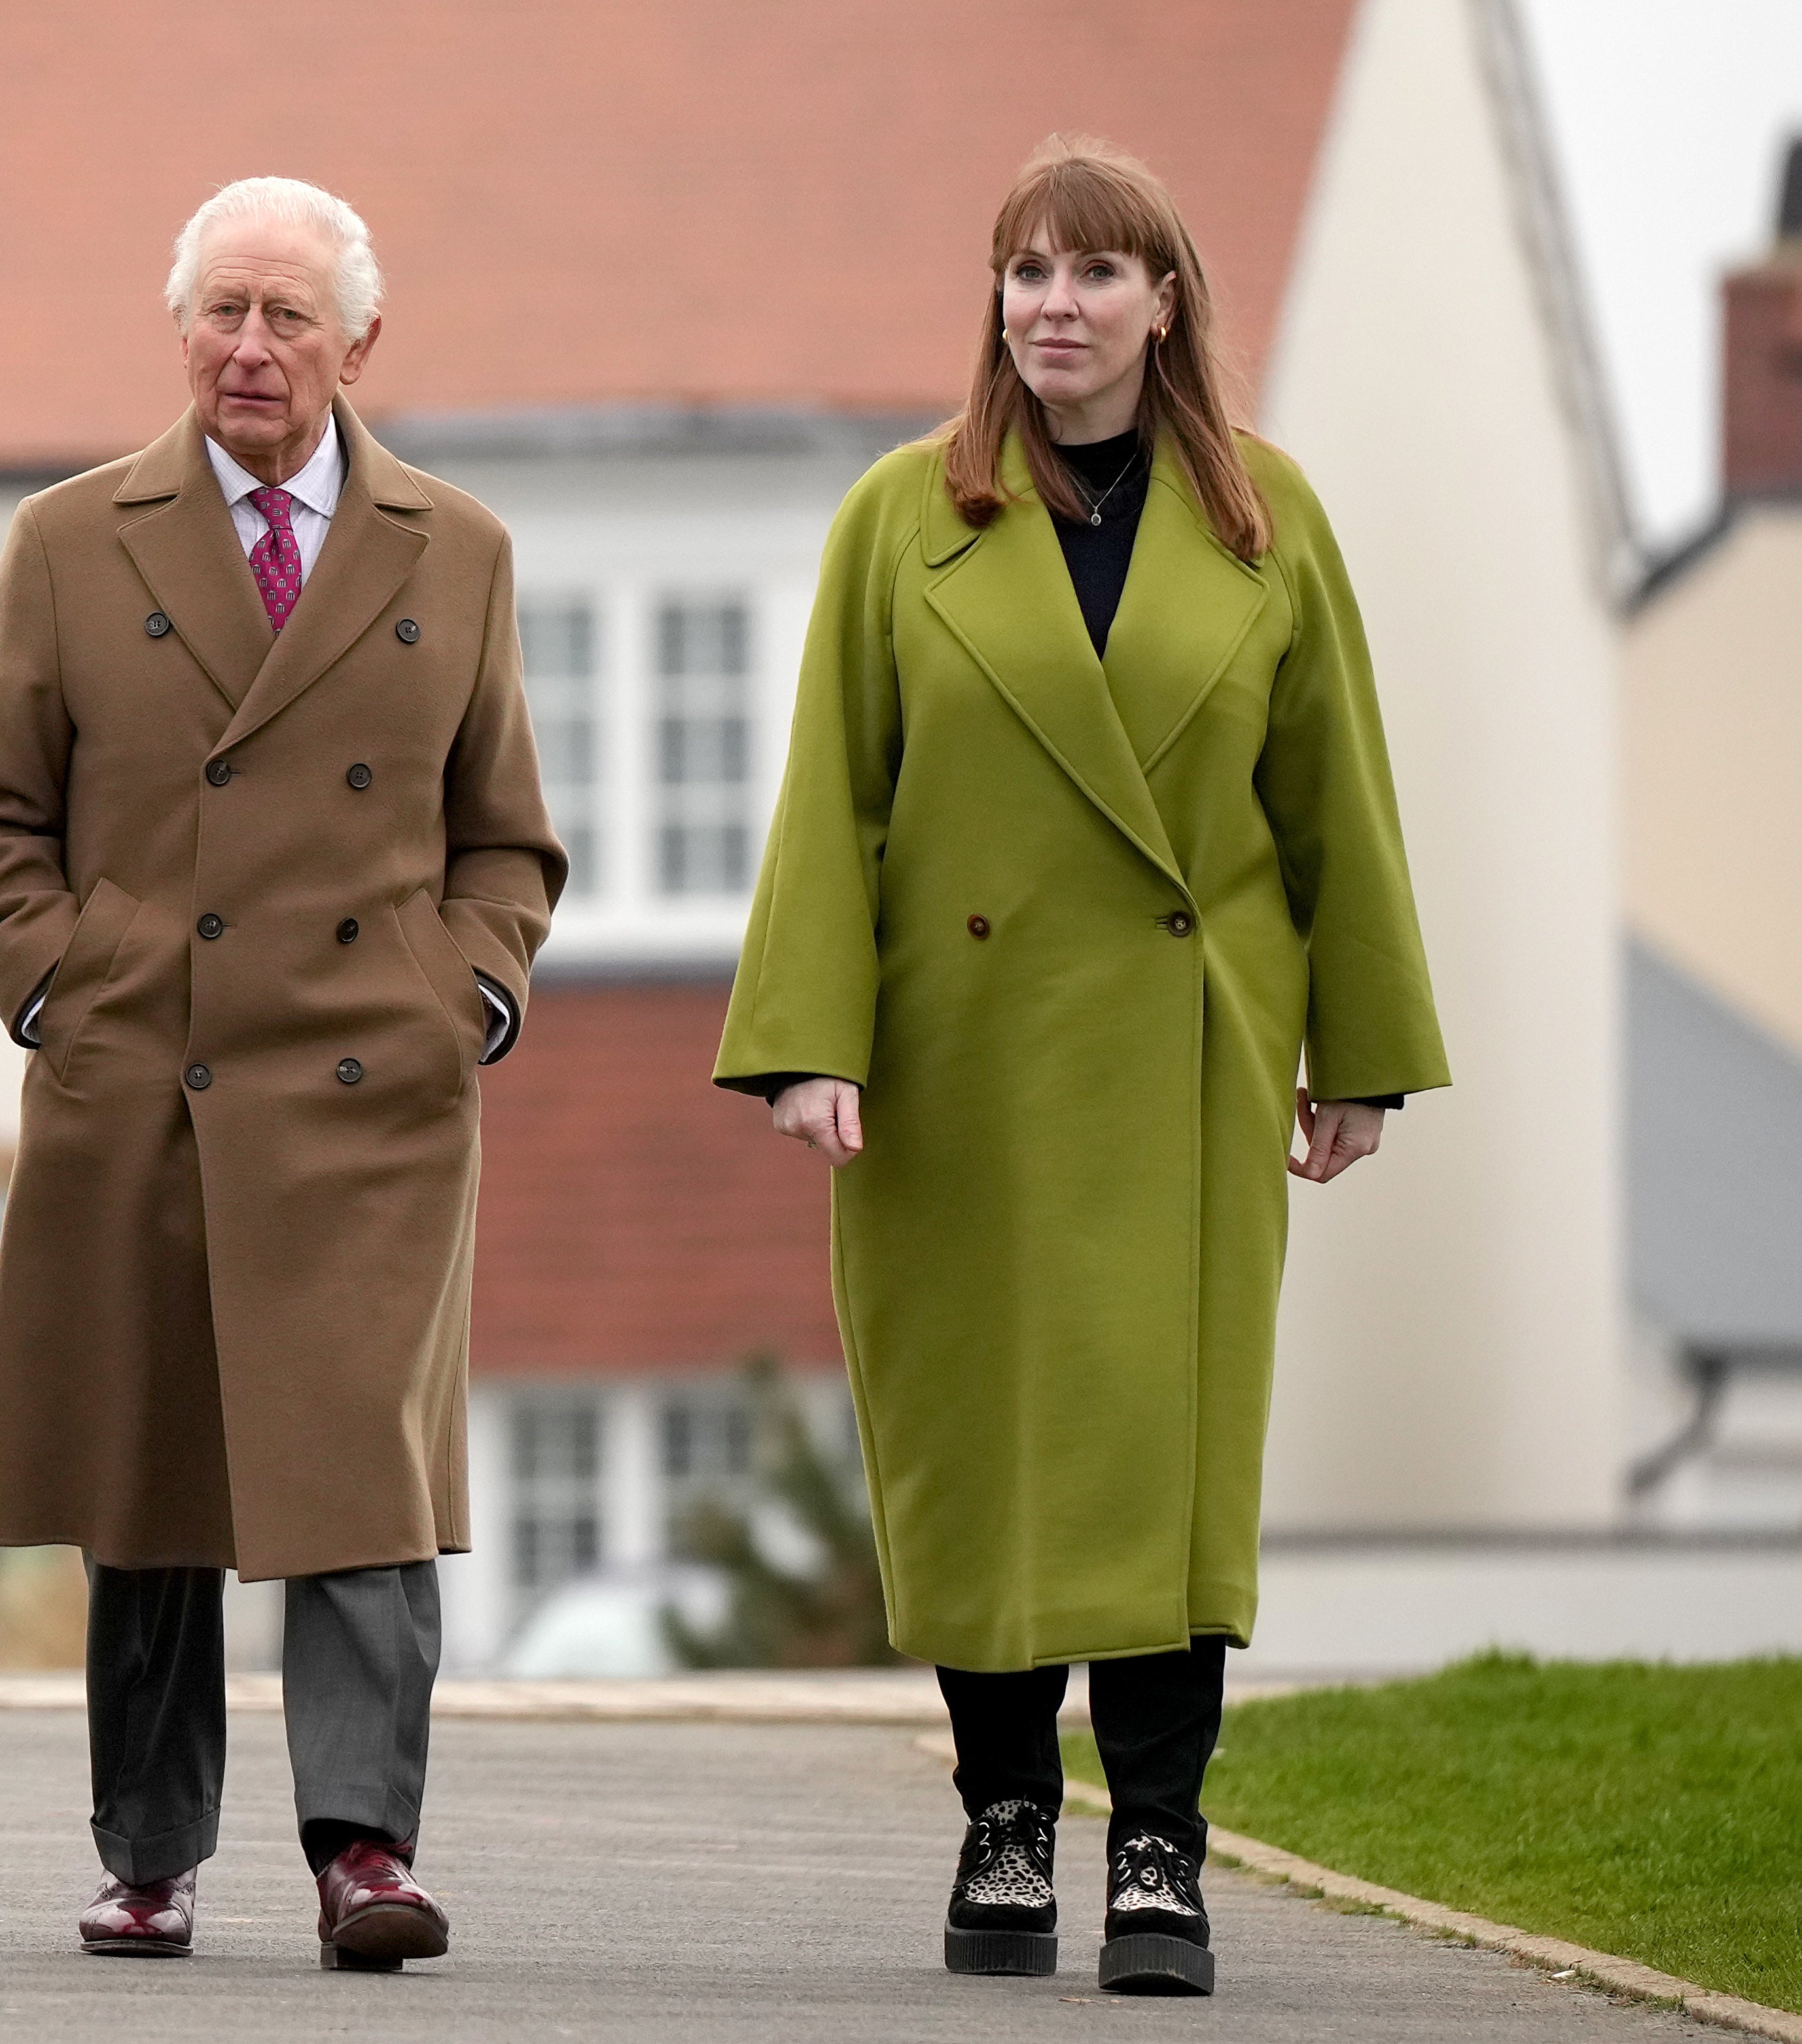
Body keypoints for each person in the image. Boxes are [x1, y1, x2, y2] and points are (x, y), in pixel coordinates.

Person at [714, 134, 1448, 1998]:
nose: (1055, 304)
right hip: (955, 1058)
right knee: (982, 1443)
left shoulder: (1267, 518)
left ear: (1165, 299)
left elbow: (1334, 804)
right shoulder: (903, 516)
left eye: (1096, 273)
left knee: (1166, 1453)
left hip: (1187, 1056)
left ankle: (1165, 1854)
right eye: (1027, 272)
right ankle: (1003, 1816)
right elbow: (833, 801)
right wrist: (805, 1041)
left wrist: (1359, 1052)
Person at [0, 176, 563, 1971]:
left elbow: (508, 841)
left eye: (289, 316)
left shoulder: (461, 548)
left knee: (362, 1472)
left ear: (361, 344)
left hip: (376, 1092)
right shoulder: (72, 538)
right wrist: (71, 981)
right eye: (222, 310)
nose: (251, 347)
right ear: (179, 330)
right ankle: (150, 1854)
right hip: (149, 1077)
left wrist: (471, 992)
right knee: (151, 1487)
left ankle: (365, 1848)